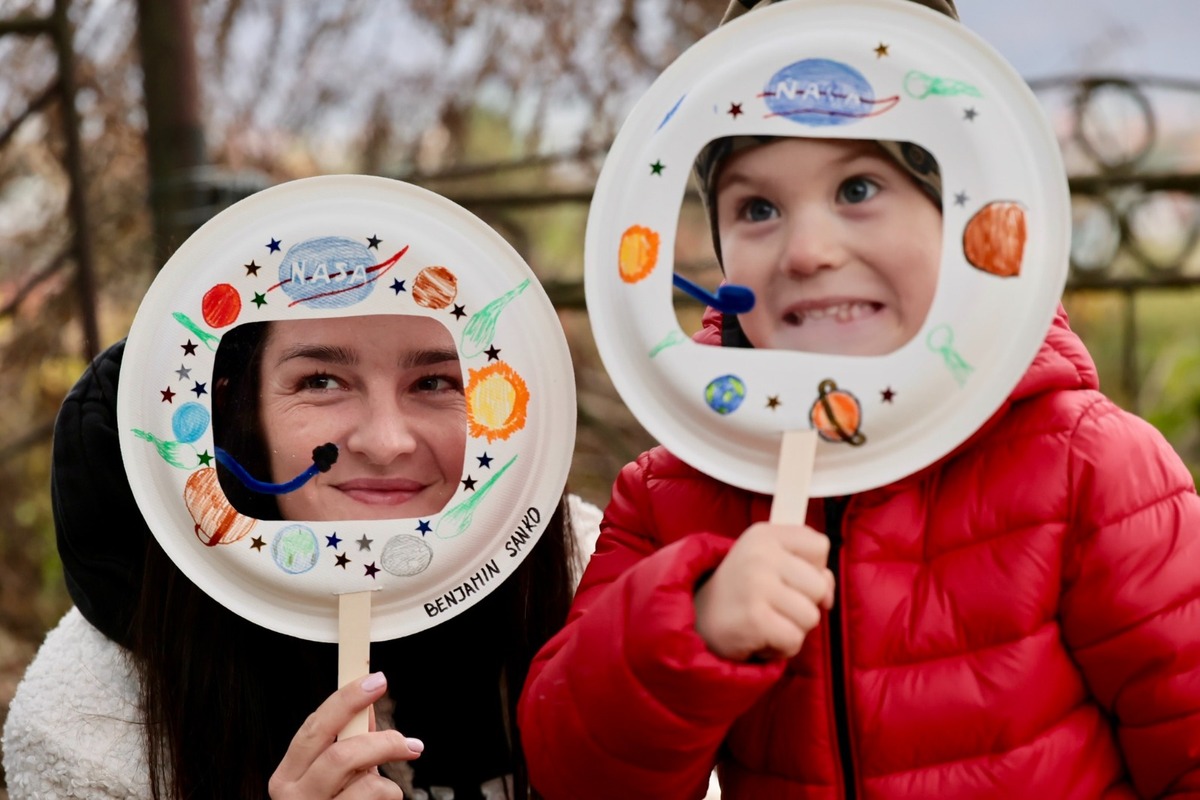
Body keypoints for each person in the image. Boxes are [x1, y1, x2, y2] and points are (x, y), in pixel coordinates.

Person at [517, 1, 1200, 797]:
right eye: (758, 209)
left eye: (859, 187)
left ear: (963, 215)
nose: (808, 251)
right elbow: (571, 772)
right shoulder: (673, 494)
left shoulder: (1091, 468)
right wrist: (687, 629)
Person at [3, 312, 602, 800]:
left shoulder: (596, 589)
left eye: (435, 382)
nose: (386, 442)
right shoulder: (90, 722)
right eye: (320, 381)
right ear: (239, 410)